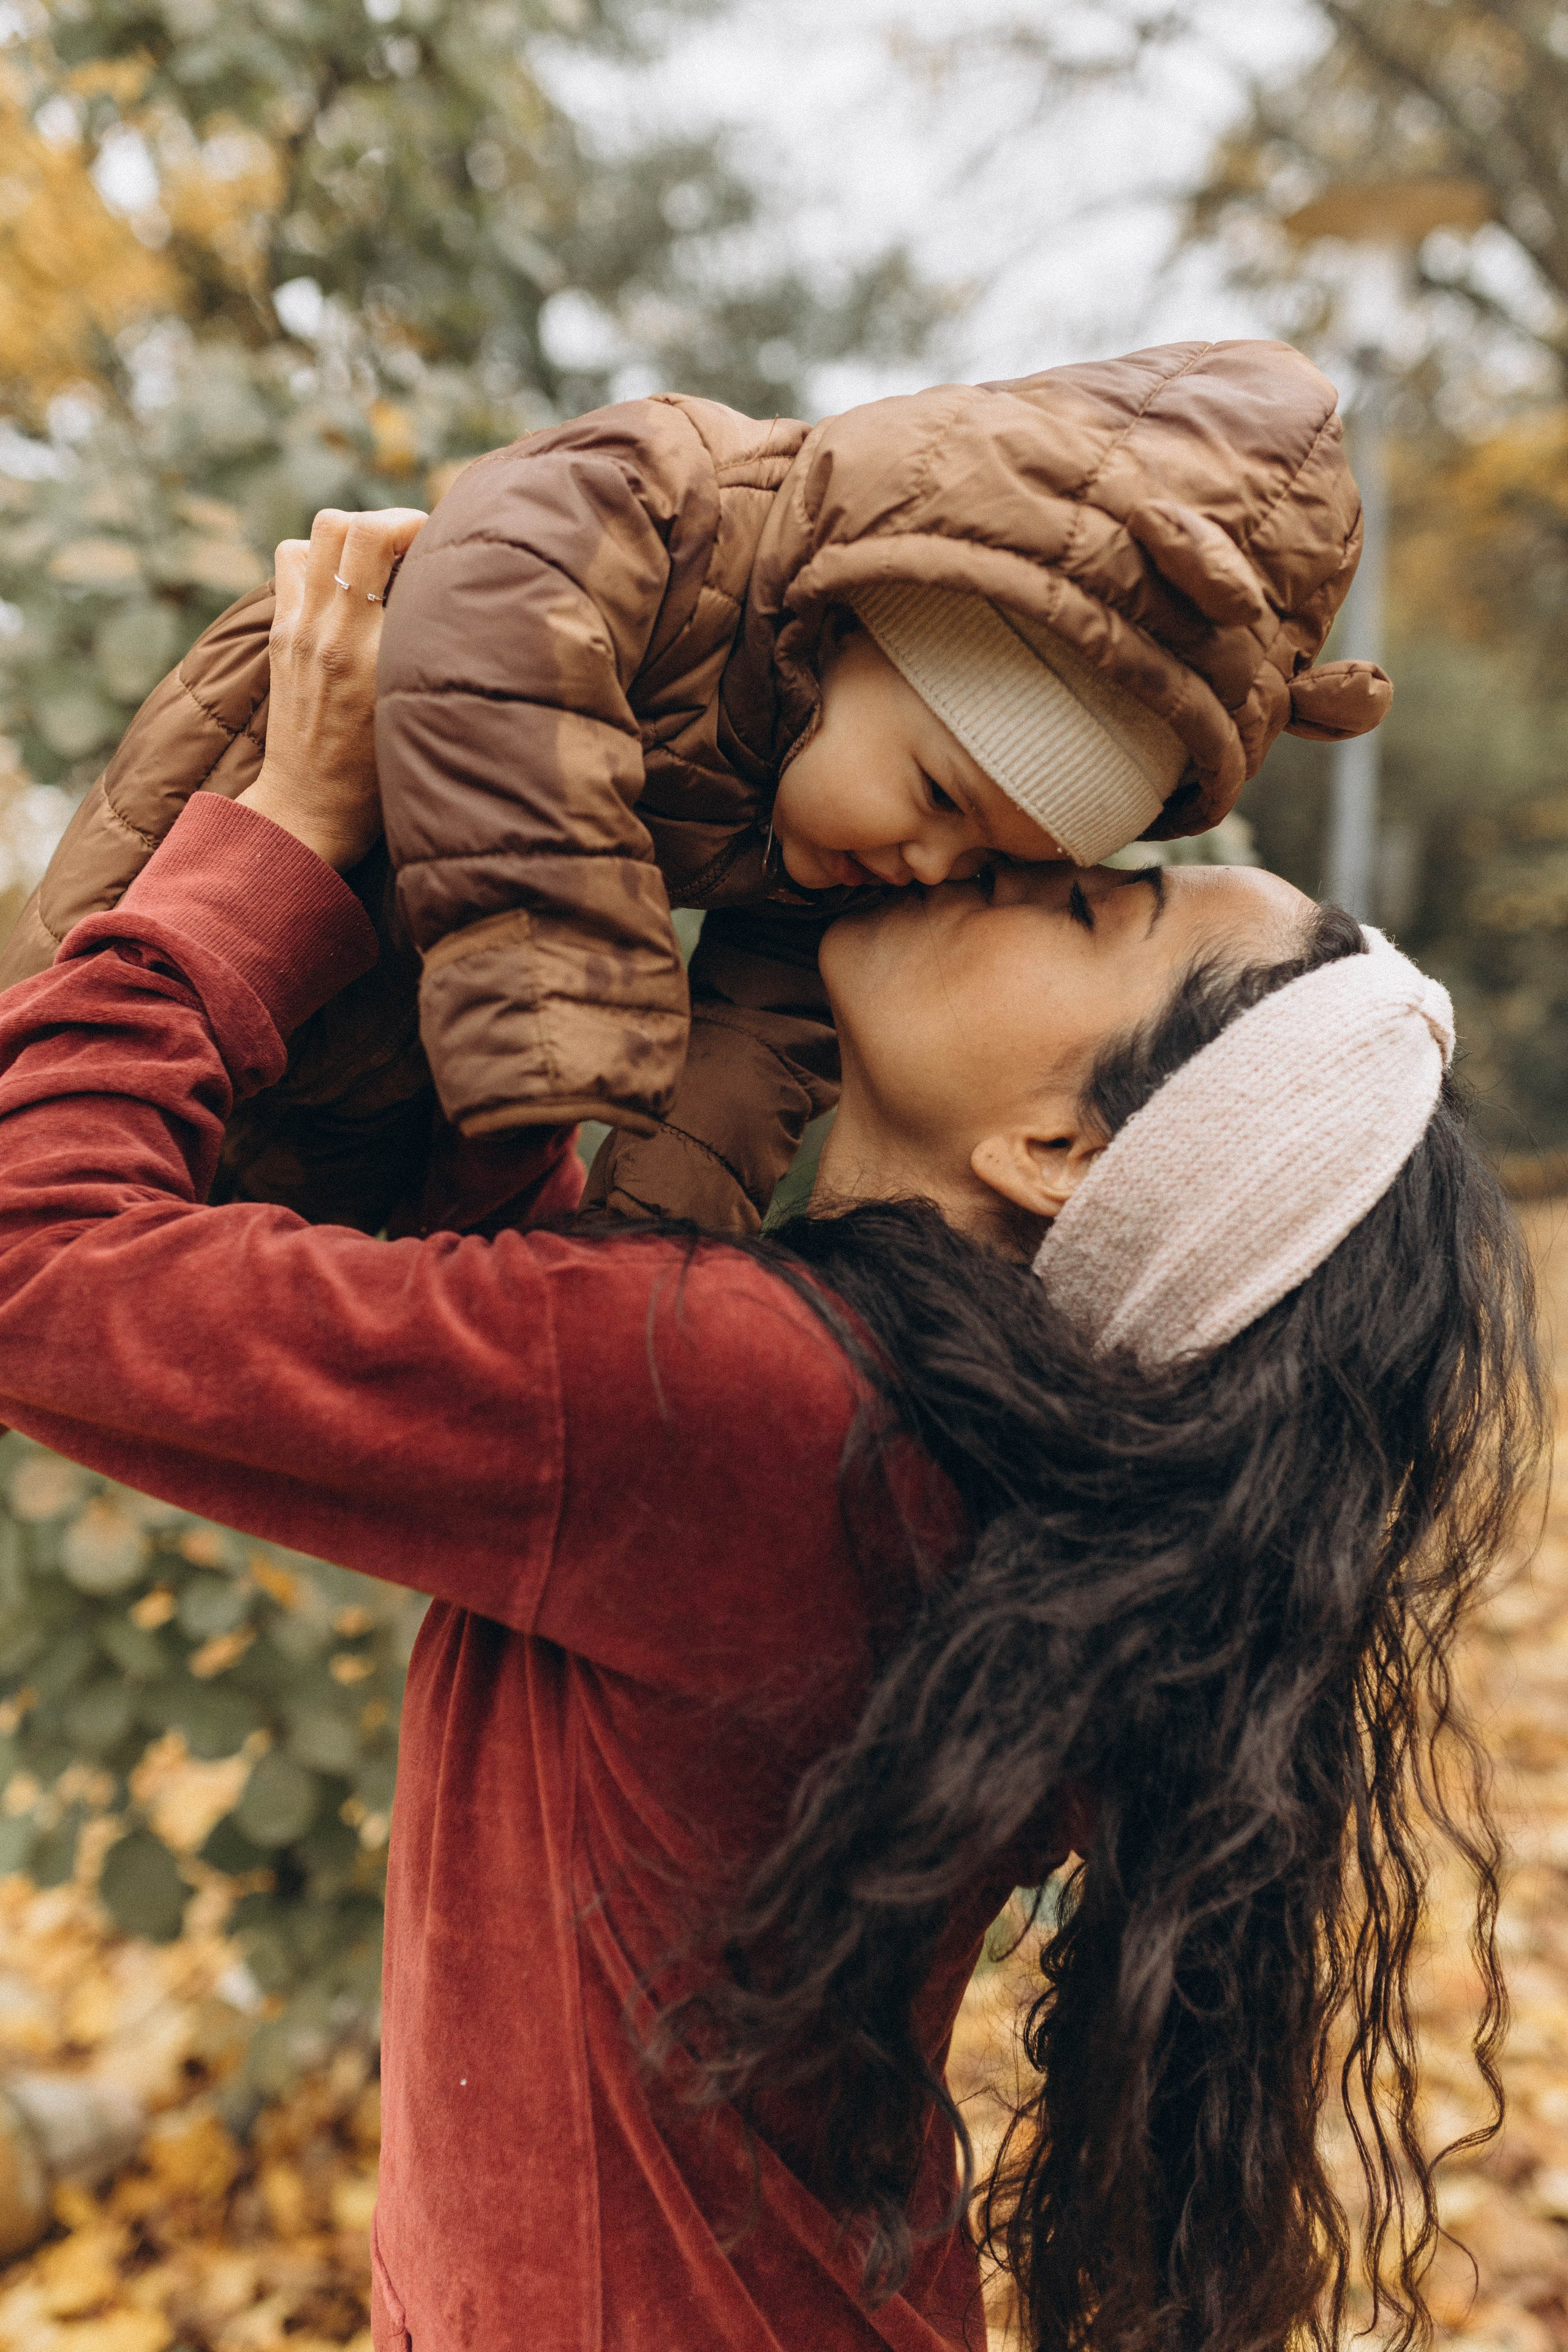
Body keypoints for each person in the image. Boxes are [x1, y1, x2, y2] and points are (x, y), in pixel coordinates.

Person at [0, 513, 1538, 2352]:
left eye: (1084, 903)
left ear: (1060, 1152)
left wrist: (265, 852)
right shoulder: (942, 1474)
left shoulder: (760, 1403)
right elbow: (517, 1329)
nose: (1018, 860)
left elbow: (34, 1256)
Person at [0, 341, 1393, 1240]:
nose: (926, 865)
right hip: (254, 827)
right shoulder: (662, 499)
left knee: (247, 1238)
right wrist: (560, 997)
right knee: (66, 1109)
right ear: (848, 621)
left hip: (409, 1019)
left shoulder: (830, 848)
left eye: (981, 863)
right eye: (937, 793)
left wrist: (640, 1266)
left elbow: (750, 1060)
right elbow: (495, 635)